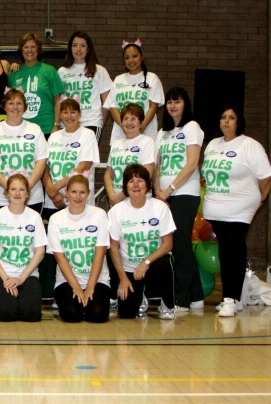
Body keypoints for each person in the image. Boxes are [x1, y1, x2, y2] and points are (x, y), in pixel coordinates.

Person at [201, 103, 271, 317]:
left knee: (234, 249)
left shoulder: (250, 146)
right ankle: (233, 299)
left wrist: (257, 203)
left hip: (240, 209)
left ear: (238, 121)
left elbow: (266, 179)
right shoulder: (212, 144)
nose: (226, 121)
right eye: (223, 117)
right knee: (225, 251)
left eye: (231, 117)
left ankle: (230, 298)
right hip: (216, 209)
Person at [154, 87, 205, 311]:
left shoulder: (192, 127)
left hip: (185, 193)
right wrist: (158, 191)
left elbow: (192, 164)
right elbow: (157, 165)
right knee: (179, 245)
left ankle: (182, 299)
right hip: (165, 196)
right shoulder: (162, 132)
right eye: (170, 101)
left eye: (178, 101)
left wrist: (170, 189)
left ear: (186, 104)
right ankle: (197, 296)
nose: (173, 105)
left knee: (180, 244)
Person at [108, 164, 176, 320]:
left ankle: (168, 304)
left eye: (140, 180)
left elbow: (168, 244)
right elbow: (114, 248)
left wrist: (146, 262)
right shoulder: (116, 211)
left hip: (152, 265)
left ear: (147, 185)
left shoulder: (160, 208)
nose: (136, 185)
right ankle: (139, 296)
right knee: (126, 314)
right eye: (131, 181)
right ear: (125, 186)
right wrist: (123, 278)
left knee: (165, 263)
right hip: (129, 269)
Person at [47, 174, 110, 323]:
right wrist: (76, 286)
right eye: (74, 192)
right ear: (67, 193)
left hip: (97, 280)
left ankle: (91, 301)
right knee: (71, 315)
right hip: (67, 281)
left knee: (97, 315)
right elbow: (60, 258)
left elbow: (100, 254)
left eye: (82, 192)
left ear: (88, 194)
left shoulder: (99, 215)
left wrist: (90, 287)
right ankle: (69, 300)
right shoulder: (56, 219)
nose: (78, 196)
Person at [0, 88, 48, 214]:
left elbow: (41, 161)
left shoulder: (35, 129)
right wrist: (10, 188)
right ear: (4, 106)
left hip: (31, 197)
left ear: (25, 107)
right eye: (11, 103)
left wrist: (26, 188)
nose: (15, 107)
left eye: (19, 103)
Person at [0, 174, 46, 322]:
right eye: (13, 189)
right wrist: (6, 277)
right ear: (7, 192)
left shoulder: (35, 217)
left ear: (27, 193)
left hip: (27, 274)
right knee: (5, 314)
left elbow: (40, 252)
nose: (17, 193)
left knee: (31, 316)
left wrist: (20, 279)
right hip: (2, 275)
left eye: (21, 189)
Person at [42, 97, 99, 221]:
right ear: (60, 115)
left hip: (79, 200)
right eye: (65, 112)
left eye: (73, 112)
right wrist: (52, 192)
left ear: (80, 114)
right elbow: (45, 167)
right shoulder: (54, 137)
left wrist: (54, 187)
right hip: (54, 200)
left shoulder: (88, 134)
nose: (69, 116)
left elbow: (83, 167)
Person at [104, 39, 164, 144]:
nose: (131, 60)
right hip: (120, 136)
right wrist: (125, 127)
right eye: (127, 57)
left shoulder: (152, 78)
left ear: (142, 57)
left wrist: (141, 127)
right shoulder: (118, 79)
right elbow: (113, 107)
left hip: (145, 134)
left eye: (134, 56)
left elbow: (153, 106)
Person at [8, 32, 65, 136]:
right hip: (23, 129)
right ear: (21, 50)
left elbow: (58, 100)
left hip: (47, 128)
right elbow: (9, 103)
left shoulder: (49, 71)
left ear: (38, 49)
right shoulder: (14, 74)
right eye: (26, 47)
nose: (29, 50)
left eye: (33, 47)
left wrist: (56, 124)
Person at [58, 32, 112, 141]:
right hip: (68, 123)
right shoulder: (62, 71)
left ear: (88, 49)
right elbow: (58, 101)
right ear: (70, 48)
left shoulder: (99, 70)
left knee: (88, 157)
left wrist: (100, 122)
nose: (78, 49)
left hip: (91, 122)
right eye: (75, 45)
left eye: (82, 45)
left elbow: (107, 101)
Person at [104, 103, 155, 207]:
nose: (129, 122)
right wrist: (111, 195)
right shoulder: (115, 145)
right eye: (126, 118)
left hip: (138, 200)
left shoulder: (147, 142)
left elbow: (147, 173)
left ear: (141, 123)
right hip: (116, 202)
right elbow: (108, 174)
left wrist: (121, 195)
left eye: (134, 119)